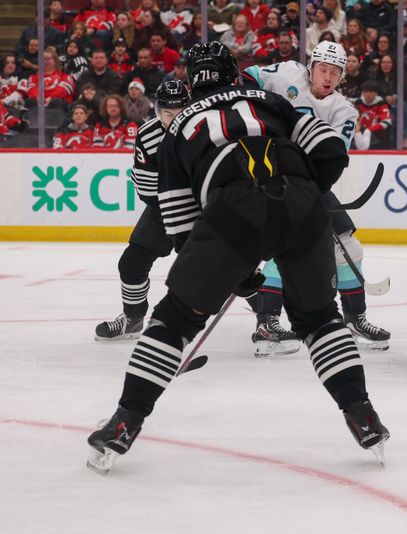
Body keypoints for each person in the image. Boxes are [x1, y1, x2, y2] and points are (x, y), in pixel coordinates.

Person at [87, 41, 390, 474]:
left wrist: (235, 271)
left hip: (232, 214)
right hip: (303, 206)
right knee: (320, 319)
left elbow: (180, 224)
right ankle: (362, 413)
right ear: (235, 75)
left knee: (174, 321)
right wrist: (305, 192)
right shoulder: (271, 101)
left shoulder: (177, 129)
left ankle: (124, 422)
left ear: (192, 82)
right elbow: (329, 152)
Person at [243, 41, 391, 354]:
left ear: (342, 78)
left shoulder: (343, 111)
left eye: (335, 72)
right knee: (279, 248)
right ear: (311, 67)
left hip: (311, 183)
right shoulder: (286, 75)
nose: (328, 77)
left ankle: (354, 317)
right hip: (269, 175)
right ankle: (266, 323)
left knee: (348, 246)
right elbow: (250, 76)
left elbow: (333, 157)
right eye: (323, 69)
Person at [94, 81, 189, 341]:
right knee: (131, 263)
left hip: (205, 207)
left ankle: (266, 319)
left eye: (180, 111)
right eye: (168, 113)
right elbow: (147, 189)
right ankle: (133, 319)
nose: (174, 118)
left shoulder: (205, 128)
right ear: (158, 111)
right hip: (165, 205)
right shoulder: (148, 134)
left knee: (235, 266)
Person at [353, 79, 393, 149]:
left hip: (377, 137)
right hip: (359, 132)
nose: (368, 94)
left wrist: (369, 129)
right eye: (365, 92)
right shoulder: (358, 103)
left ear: (376, 93)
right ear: (362, 93)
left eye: (371, 92)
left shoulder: (381, 104)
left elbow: (387, 122)